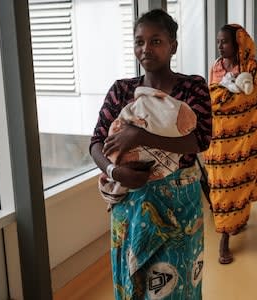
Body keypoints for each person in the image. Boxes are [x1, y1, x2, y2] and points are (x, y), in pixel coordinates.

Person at [89, 9, 212, 299]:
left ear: (173, 46)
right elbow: (96, 142)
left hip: (179, 203)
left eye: (156, 41)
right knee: (133, 282)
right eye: (139, 41)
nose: (146, 49)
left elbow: (201, 140)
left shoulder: (192, 87)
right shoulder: (121, 91)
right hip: (130, 202)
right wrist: (114, 171)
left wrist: (141, 135)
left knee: (176, 280)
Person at [204, 24, 257, 264]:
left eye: (225, 42)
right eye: (218, 41)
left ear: (238, 44)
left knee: (242, 183)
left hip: (243, 140)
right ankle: (224, 236)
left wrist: (227, 97)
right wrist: (224, 97)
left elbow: (255, 97)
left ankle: (236, 222)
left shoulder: (251, 67)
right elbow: (213, 98)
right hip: (218, 141)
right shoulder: (216, 67)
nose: (220, 46)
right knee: (221, 189)